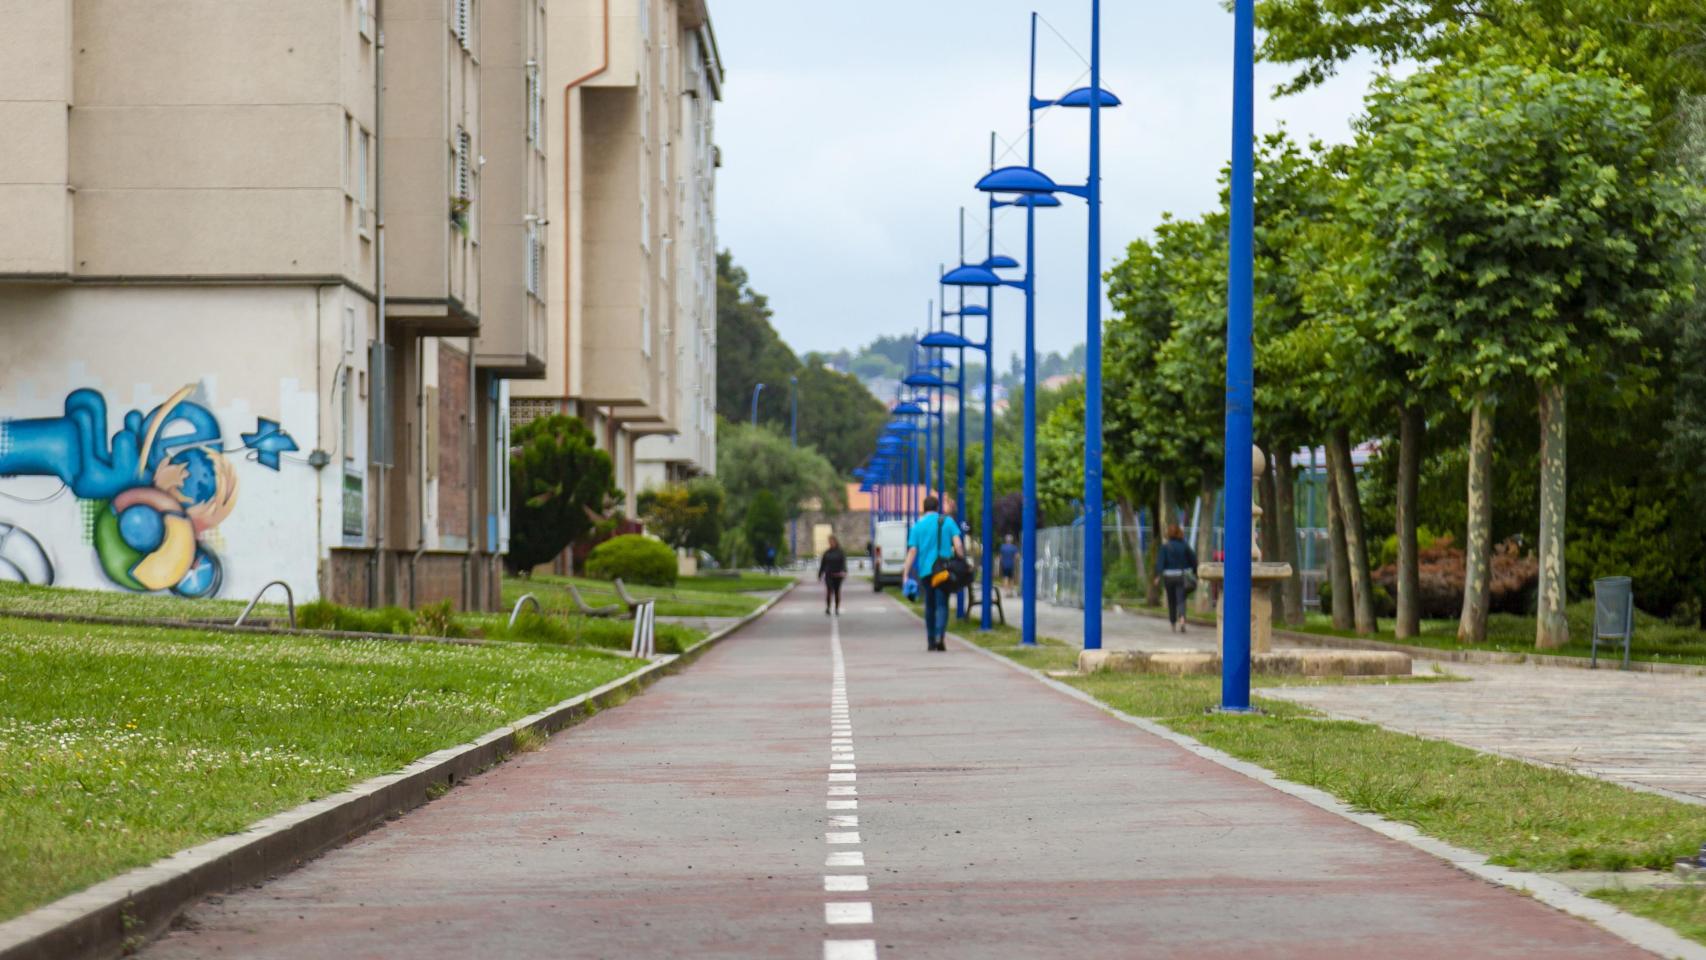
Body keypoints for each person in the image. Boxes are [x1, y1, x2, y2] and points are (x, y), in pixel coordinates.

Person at [903, 495, 964, 652]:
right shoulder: (948, 522)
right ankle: (940, 636)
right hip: (943, 570)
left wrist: (906, 573)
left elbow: (912, 550)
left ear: (924, 508)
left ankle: (930, 640)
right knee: (942, 604)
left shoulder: (918, 526)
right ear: (937, 507)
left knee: (929, 606)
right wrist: (961, 558)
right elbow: (958, 545)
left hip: (926, 571)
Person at [1153, 523, 1197, 633]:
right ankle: (1182, 620)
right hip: (1181, 576)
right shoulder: (1184, 546)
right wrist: (1196, 572)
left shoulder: (1165, 547)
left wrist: (1158, 576)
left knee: (1171, 600)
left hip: (1168, 577)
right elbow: (1193, 560)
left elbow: (1160, 563)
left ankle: (1173, 624)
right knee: (1181, 599)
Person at [818, 536, 847, 616]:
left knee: (837, 592)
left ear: (836, 542)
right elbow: (823, 564)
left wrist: (844, 571)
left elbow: (843, 563)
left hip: (838, 575)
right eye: (830, 542)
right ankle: (828, 607)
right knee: (829, 591)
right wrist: (820, 574)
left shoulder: (840, 552)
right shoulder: (827, 553)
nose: (831, 543)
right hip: (829, 575)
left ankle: (837, 608)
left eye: (832, 541)